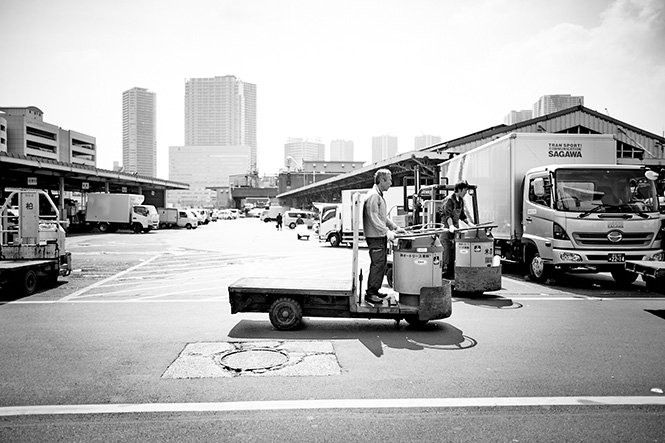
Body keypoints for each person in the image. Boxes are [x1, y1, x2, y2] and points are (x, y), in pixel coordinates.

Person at [362, 169, 404, 304]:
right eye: (389, 180)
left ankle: (375, 289)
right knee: (378, 264)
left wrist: (395, 227)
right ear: (381, 181)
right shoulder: (374, 196)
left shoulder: (378, 195)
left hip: (379, 236)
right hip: (375, 236)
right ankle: (371, 293)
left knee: (381, 264)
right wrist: (387, 231)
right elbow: (373, 217)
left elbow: (382, 217)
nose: (391, 183)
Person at [440, 180, 475, 277]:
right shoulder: (449, 200)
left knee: (455, 250)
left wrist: (470, 224)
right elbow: (447, 215)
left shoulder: (461, 201)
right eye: (464, 190)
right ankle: (445, 271)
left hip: (455, 229)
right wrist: (451, 226)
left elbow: (462, 215)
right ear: (459, 189)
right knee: (446, 249)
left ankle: (452, 271)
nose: (465, 193)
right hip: (447, 229)